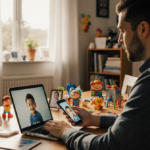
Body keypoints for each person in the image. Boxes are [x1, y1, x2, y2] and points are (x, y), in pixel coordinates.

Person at [43, 0, 150, 149]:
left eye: (123, 31)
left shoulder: (147, 84)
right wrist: (94, 120)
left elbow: (108, 146)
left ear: (143, 29)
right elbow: (133, 123)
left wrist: (66, 131)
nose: (119, 40)